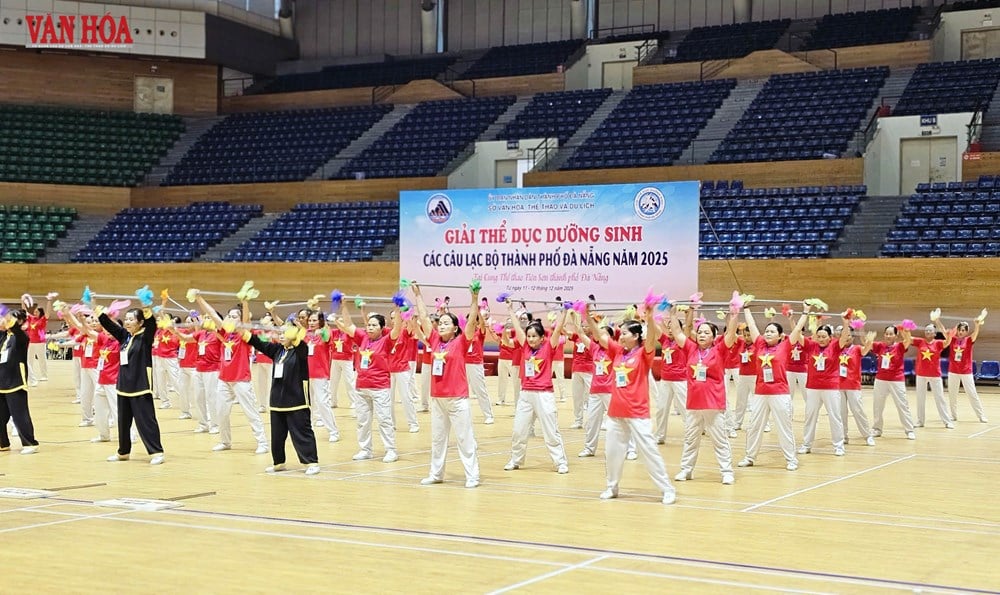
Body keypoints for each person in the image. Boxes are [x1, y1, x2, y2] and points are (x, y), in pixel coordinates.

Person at [586, 304, 676, 504]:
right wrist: (587, 317)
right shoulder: (618, 352)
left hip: (637, 412)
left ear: (635, 336)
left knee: (649, 451)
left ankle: (667, 489)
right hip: (616, 412)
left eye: (625, 333)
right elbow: (600, 336)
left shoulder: (644, 353)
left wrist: (650, 317)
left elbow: (651, 338)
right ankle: (612, 487)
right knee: (612, 453)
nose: (621, 335)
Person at [411, 283, 481, 488]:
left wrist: (474, 298)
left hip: (457, 399)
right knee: (438, 439)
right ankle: (436, 474)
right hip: (438, 398)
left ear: (455, 328)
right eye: (440, 323)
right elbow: (424, 318)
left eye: (446, 323)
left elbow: (472, 322)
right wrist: (418, 295)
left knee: (464, 438)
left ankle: (472, 475)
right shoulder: (434, 340)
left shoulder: (461, 341)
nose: (441, 326)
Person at [670, 308, 739, 485]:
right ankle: (686, 470)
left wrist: (734, 314)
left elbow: (731, 333)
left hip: (713, 403)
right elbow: (677, 332)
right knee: (690, 439)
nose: (702, 335)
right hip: (694, 403)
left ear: (714, 337)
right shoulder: (690, 349)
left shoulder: (720, 349)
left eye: (706, 333)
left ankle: (726, 472)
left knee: (719, 440)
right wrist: (672, 314)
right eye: (700, 332)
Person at [194, 294, 269, 455]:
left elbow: (246, 319)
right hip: (224, 379)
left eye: (234, 316)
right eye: (229, 316)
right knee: (221, 412)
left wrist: (245, 302)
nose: (230, 318)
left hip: (241, 379)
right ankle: (225, 441)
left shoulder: (244, 334)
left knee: (250, 412)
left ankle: (262, 442)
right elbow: (212, 314)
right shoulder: (224, 333)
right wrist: (199, 298)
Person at [243, 317, 320, 475]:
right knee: (277, 436)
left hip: (297, 400)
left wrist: (297, 331)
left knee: (302, 433)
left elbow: (300, 345)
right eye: (280, 333)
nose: (282, 336)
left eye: (285, 333)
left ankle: (311, 462)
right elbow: (257, 342)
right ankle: (278, 463)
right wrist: (240, 331)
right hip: (277, 401)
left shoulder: (300, 350)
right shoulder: (278, 350)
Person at [503, 302, 569, 474]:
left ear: (542, 338)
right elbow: (517, 327)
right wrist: (510, 309)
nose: (531, 339)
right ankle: (516, 459)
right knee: (519, 430)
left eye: (534, 336)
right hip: (526, 394)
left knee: (551, 431)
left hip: (544, 395)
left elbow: (558, 330)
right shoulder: (525, 346)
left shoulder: (549, 347)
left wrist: (564, 312)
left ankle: (560, 462)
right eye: (529, 336)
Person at [334, 300, 402, 463]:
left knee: (384, 420)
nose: (370, 328)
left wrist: (398, 308)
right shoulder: (362, 337)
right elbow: (348, 325)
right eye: (369, 325)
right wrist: (343, 305)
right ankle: (365, 450)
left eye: (374, 325)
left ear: (382, 328)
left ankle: (391, 450)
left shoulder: (387, 340)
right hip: (361, 387)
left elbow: (397, 328)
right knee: (362, 421)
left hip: (380, 387)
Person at [97, 299, 164, 465]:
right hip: (123, 385)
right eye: (126, 319)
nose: (127, 322)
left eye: (131, 319)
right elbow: (108, 324)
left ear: (140, 323)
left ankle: (156, 452)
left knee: (146, 421)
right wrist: (94, 307)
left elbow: (151, 323)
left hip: (140, 385)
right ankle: (123, 452)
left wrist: (146, 306)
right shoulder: (125, 336)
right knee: (123, 422)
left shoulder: (146, 337)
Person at [738, 309, 805, 471]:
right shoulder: (760, 344)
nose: (768, 334)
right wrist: (746, 308)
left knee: (784, 427)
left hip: (779, 393)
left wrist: (806, 312)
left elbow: (797, 330)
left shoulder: (785, 346)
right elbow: (752, 325)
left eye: (772, 332)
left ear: (780, 336)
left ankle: (791, 459)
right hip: (760, 393)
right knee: (754, 426)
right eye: (766, 331)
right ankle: (749, 457)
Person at [791, 308, 852, 456]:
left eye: (824, 336)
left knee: (835, 416)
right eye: (819, 336)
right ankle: (806, 444)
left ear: (830, 337)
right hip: (813, 387)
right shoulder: (811, 346)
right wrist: (791, 319)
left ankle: (838, 446)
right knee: (810, 416)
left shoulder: (835, 346)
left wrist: (846, 322)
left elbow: (845, 336)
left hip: (831, 387)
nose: (821, 339)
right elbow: (797, 334)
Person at [0, 309, 40, 455]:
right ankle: (3, 443)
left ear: (21, 322)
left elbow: (15, 329)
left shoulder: (21, 336)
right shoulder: (3, 336)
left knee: (19, 414)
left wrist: (7, 315)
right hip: (1, 380)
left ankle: (30, 443)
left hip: (15, 380)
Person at [301, 309, 341, 442]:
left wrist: (323, 329)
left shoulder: (324, 332)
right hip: (306, 373)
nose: (311, 323)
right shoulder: (305, 334)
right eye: (310, 320)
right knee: (307, 403)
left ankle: (333, 431)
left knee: (323, 403)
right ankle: (309, 428)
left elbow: (327, 337)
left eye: (314, 320)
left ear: (320, 321)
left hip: (320, 374)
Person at [870, 324, 916, 440]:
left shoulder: (900, 346)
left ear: (896, 336)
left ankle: (909, 430)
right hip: (881, 379)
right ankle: (877, 429)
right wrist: (861, 329)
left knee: (902, 405)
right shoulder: (879, 346)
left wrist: (906, 331)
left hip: (896, 380)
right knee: (878, 405)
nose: (888, 336)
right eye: (886, 334)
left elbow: (908, 340)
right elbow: (866, 343)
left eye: (891, 334)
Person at [654, 310, 690, 444]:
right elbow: (656, 328)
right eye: (668, 327)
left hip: (680, 380)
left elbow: (688, 326)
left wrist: (689, 312)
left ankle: (691, 435)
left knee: (685, 409)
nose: (670, 330)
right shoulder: (664, 340)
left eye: (672, 327)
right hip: (665, 380)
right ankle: (660, 436)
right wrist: (649, 315)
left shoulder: (683, 341)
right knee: (661, 409)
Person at [911, 320, 954, 429]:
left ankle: (947, 421)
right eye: (926, 330)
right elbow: (908, 339)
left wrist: (949, 335)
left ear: (935, 333)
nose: (928, 332)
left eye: (930, 330)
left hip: (935, 375)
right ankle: (920, 421)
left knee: (940, 398)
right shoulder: (920, 342)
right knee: (920, 398)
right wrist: (905, 329)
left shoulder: (938, 343)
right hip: (921, 374)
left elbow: (947, 342)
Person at [839, 324, 876, 447]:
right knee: (841, 412)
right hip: (838, 385)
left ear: (853, 337)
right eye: (844, 335)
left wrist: (869, 341)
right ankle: (843, 436)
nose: (846, 337)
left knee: (858, 411)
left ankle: (867, 435)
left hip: (853, 385)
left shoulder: (857, 348)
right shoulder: (836, 348)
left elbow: (866, 350)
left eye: (849, 335)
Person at [947, 317, 988, 423]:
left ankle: (981, 415)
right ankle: (953, 416)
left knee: (972, 393)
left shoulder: (969, 340)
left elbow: (975, 334)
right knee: (952, 394)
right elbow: (945, 334)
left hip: (966, 371)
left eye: (963, 330)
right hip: (953, 371)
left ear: (966, 332)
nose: (961, 332)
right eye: (959, 330)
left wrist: (977, 325)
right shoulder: (952, 339)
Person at [23, 296, 51, 386]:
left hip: (40, 342)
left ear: (40, 313)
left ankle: (44, 375)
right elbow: (24, 311)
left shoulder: (43, 319)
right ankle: (29, 375)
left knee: (42, 359)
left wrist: (49, 300)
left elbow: (48, 312)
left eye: (36, 312)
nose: (34, 313)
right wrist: (23, 301)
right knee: (29, 360)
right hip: (31, 342)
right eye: (34, 312)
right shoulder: (31, 318)